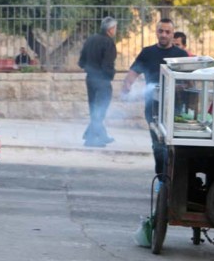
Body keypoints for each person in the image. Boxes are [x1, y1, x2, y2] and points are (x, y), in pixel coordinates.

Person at [121, 18, 188, 170]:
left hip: (175, 107)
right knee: (157, 143)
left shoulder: (181, 54)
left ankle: (172, 175)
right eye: (161, 31)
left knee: (174, 144)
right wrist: (126, 87)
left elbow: (190, 81)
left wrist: (181, 87)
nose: (164, 34)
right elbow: (133, 73)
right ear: (156, 32)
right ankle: (161, 176)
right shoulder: (147, 52)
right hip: (153, 107)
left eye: (167, 32)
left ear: (172, 34)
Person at [78, 17, 119, 147]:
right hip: (102, 80)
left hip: (90, 79)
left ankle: (100, 135)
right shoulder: (108, 43)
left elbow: (81, 61)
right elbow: (107, 64)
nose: (115, 30)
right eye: (115, 28)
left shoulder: (91, 39)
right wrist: (109, 75)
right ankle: (91, 139)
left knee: (94, 108)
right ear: (110, 29)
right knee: (100, 109)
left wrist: (90, 68)